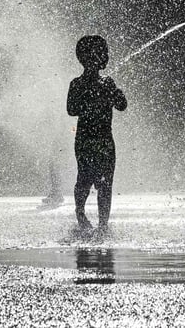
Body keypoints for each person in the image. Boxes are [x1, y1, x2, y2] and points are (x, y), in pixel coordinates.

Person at [67, 35, 127, 231]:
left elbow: (122, 106)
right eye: (103, 52)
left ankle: (103, 224)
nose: (106, 56)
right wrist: (91, 98)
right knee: (84, 178)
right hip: (86, 138)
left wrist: (118, 95)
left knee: (105, 182)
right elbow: (71, 109)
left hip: (104, 138)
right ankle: (80, 213)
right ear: (88, 57)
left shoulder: (108, 83)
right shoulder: (77, 84)